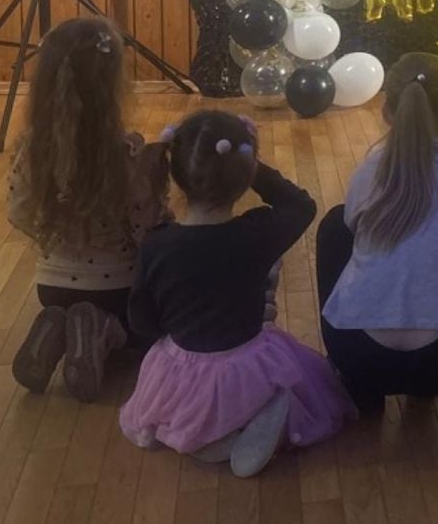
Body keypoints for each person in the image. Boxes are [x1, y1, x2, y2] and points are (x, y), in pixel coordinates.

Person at [120, 110, 353, 477]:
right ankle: (263, 418)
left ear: (177, 175)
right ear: (244, 178)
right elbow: (301, 206)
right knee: (280, 379)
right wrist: (253, 170)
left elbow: (142, 319)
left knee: (170, 423)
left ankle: (218, 438)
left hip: (182, 364)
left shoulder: (157, 245)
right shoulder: (257, 233)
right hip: (248, 359)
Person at [317, 53, 438, 415]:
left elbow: (351, 229)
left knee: (335, 226)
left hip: (358, 354)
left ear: (386, 112)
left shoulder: (368, 171)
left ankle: (357, 388)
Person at [6, 17, 167, 401]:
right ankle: (106, 331)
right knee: (154, 332)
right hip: (117, 291)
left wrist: (56, 238)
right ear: (112, 87)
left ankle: (59, 328)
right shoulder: (126, 153)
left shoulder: (31, 151)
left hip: (52, 286)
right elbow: (146, 226)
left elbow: (18, 213)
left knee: (70, 305)